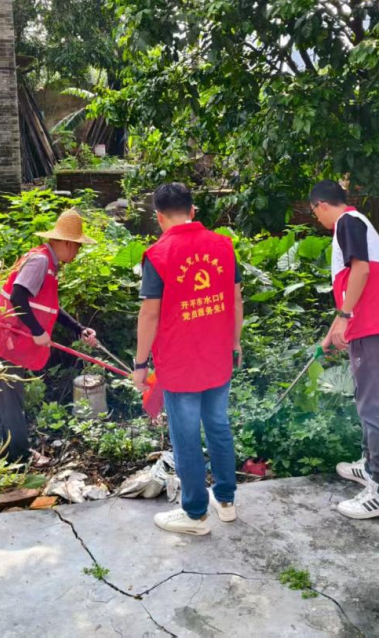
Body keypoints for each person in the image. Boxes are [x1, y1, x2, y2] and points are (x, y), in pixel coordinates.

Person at [133, 183, 243, 536]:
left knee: (186, 437)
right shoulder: (223, 245)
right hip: (218, 355)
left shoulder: (158, 254)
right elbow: (236, 300)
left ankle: (195, 515)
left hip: (180, 363)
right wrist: (235, 344)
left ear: (159, 217)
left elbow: (150, 314)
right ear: (193, 211)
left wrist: (140, 364)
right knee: (218, 426)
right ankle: (226, 500)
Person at [309, 180, 379, 519]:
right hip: (368, 324)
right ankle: (369, 465)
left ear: (321, 205)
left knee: (374, 405)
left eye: (315, 213)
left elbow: (360, 270)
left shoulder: (347, 222)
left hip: (371, 325)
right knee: (367, 398)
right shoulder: (355, 223)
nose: (318, 220)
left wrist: (344, 317)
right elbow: (353, 281)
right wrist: (335, 329)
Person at [0, 210, 99, 465]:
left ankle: (3, 455)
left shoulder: (48, 263)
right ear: (67, 243)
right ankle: (18, 458)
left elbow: (50, 307)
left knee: (5, 399)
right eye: (77, 247)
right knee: (10, 400)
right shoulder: (40, 261)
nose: (77, 253)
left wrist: (78, 328)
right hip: (8, 339)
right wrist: (37, 331)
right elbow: (18, 296)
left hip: (9, 339)